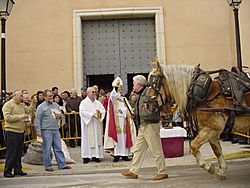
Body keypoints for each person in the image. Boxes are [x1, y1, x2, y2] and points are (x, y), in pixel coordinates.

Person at [121, 75, 168, 181]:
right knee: (138, 150)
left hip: (150, 125)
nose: (133, 85)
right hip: (143, 125)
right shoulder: (141, 94)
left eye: (134, 83)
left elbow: (152, 109)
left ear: (139, 84)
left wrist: (138, 114)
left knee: (156, 149)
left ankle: (162, 171)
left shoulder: (148, 93)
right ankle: (134, 171)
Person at [34, 89, 71, 172]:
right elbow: (37, 120)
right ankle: (48, 165)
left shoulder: (55, 105)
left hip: (55, 129)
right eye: (49, 96)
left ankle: (61, 164)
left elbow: (61, 116)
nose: (51, 97)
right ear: (44, 97)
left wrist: (60, 116)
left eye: (52, 96)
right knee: (46, 149)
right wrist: (39, 132)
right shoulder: (41, 107)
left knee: (58, 147)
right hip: (45, 130)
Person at [2, 90, 35, 178]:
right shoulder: (8, 105)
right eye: (21, 96)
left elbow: (29, 110)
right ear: (15, 96)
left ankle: (17, 169)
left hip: (20, 131)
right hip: (11, 131)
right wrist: (20, 117)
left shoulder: (21, 105)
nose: (22, 98)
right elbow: (7, 118)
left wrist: (33, 103)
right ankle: (7, 170)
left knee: (18, 152)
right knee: (12, 152)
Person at [104, 77, 136, 162]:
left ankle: (125, 155)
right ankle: (116, 155)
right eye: (119, 89)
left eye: (121, 89)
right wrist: (115, 86)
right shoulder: (114, 98)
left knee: (124, 137)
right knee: (117, 137)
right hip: (116, 121)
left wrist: (126, 112)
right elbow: (112, 95)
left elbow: (128, 109)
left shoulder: (124, 99)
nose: (120, 91)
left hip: (124, 120)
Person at [79, 87, 106, 164]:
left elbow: (103, 110)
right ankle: (86, 156)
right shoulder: (83, 103)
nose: (94, 94)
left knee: (96, 139)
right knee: (87, 140)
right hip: (88, 124)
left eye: (95, 92)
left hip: (96, 124)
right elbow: (82, 112)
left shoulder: (97, 102)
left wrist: (99, 113)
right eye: (93, 92)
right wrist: (92, 115)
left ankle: (95, 156)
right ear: (88, 93)